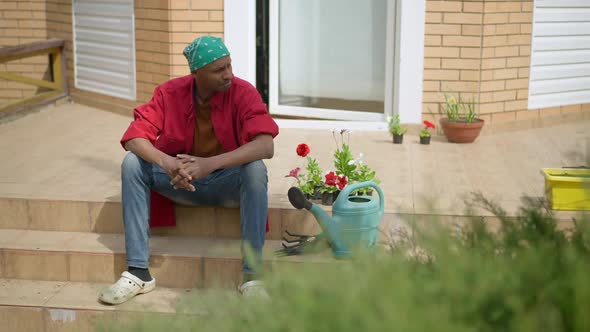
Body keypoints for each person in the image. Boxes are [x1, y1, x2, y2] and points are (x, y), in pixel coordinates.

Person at [98, 36, 279, 304]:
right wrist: (168, 164)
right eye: (219, 70)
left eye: (229, 66)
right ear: (196, 73)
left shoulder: (244, 92)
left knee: (255, 169)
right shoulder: (169, 93)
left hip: (225, 184)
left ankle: (252, 277)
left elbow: (265, 146)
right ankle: (138, 273)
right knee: (132, 163)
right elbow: (134, 138)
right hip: (178, 183)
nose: (228, 74)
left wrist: (209, 164)